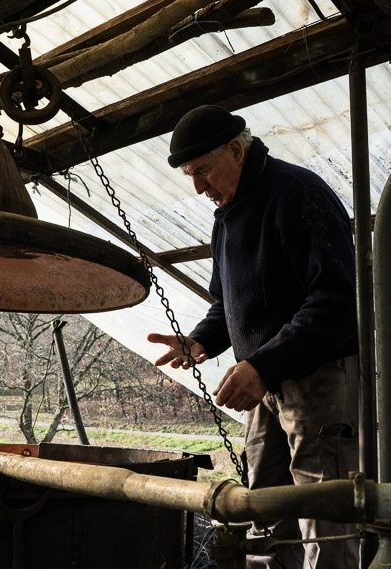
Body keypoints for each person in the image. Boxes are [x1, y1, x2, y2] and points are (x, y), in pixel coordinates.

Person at [148, 105, 360, 569]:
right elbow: (229, 305)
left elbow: (336, 300)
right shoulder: (226, 218)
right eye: (190, 175)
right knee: (265, 508)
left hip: (317, 377)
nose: (198, 188)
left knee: (324, 513)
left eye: (202, 171)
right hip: (266, 384)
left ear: (237, 150)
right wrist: (200, 340)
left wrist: (263, 365)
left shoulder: (298, 193)